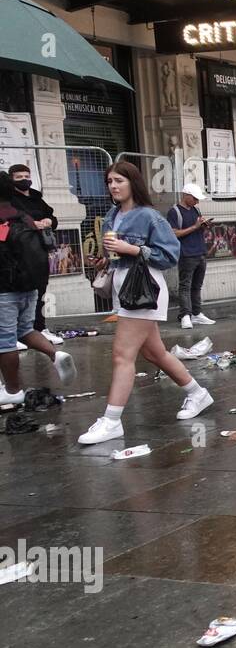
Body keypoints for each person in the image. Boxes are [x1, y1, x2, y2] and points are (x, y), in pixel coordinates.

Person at [78, 162, 212, 444]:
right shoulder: (114, 214)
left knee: (122, 355)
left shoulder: (150, 217)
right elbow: (118, 253)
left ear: (133, 183)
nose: (113, 186)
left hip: (144, 288)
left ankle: (111, 421)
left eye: (119, 181)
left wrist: (134, 249)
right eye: (110, 181)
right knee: (155, 353)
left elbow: (169, 255)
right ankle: (197, 393)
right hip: (126, 286)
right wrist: (106, 258)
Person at [1, 171, 77, 407]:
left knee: (4, 341)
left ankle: (13, 390)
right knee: (25, 329)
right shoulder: (22, 216)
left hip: (5, 290)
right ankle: (57, 355)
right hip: (30, 286)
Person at [5, 164, 64, 347]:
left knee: (40, 289)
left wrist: (48, 221)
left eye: (26, 176)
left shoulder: (37, 197)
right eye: (19, 177)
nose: (24, 180)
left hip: (39, 249)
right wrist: (32, 224)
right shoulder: (9, 200)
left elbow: (52, 217)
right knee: (17, 293)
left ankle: (39, 328)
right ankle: (16, 333)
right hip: (19, 251)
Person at [167, 181, 215, 329]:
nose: (197, 201)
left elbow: (197, 229)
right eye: (194, 198)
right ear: (186, 195)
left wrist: (204, 226)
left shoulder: (195, 210)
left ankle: (196, 313)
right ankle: (186, 315)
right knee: (185, 286)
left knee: (196, 286)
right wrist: (195, 227)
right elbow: (174, 233)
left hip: (200, 252)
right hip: (186, 253)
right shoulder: (174, 211)